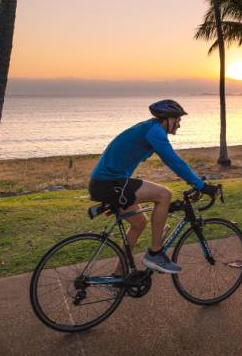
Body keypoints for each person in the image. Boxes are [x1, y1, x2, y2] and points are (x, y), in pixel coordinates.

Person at [88, 99, 217, 274]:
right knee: (164, 195)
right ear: (166, 119)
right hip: (109, 183)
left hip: (107, 183)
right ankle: (155, 253)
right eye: (177, 120)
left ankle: (119, 274)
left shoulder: (149, 128)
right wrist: (201, 186)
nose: (179, 125)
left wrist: (195, 182)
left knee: (139, 223)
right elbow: (174, 161)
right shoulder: (155, 131)